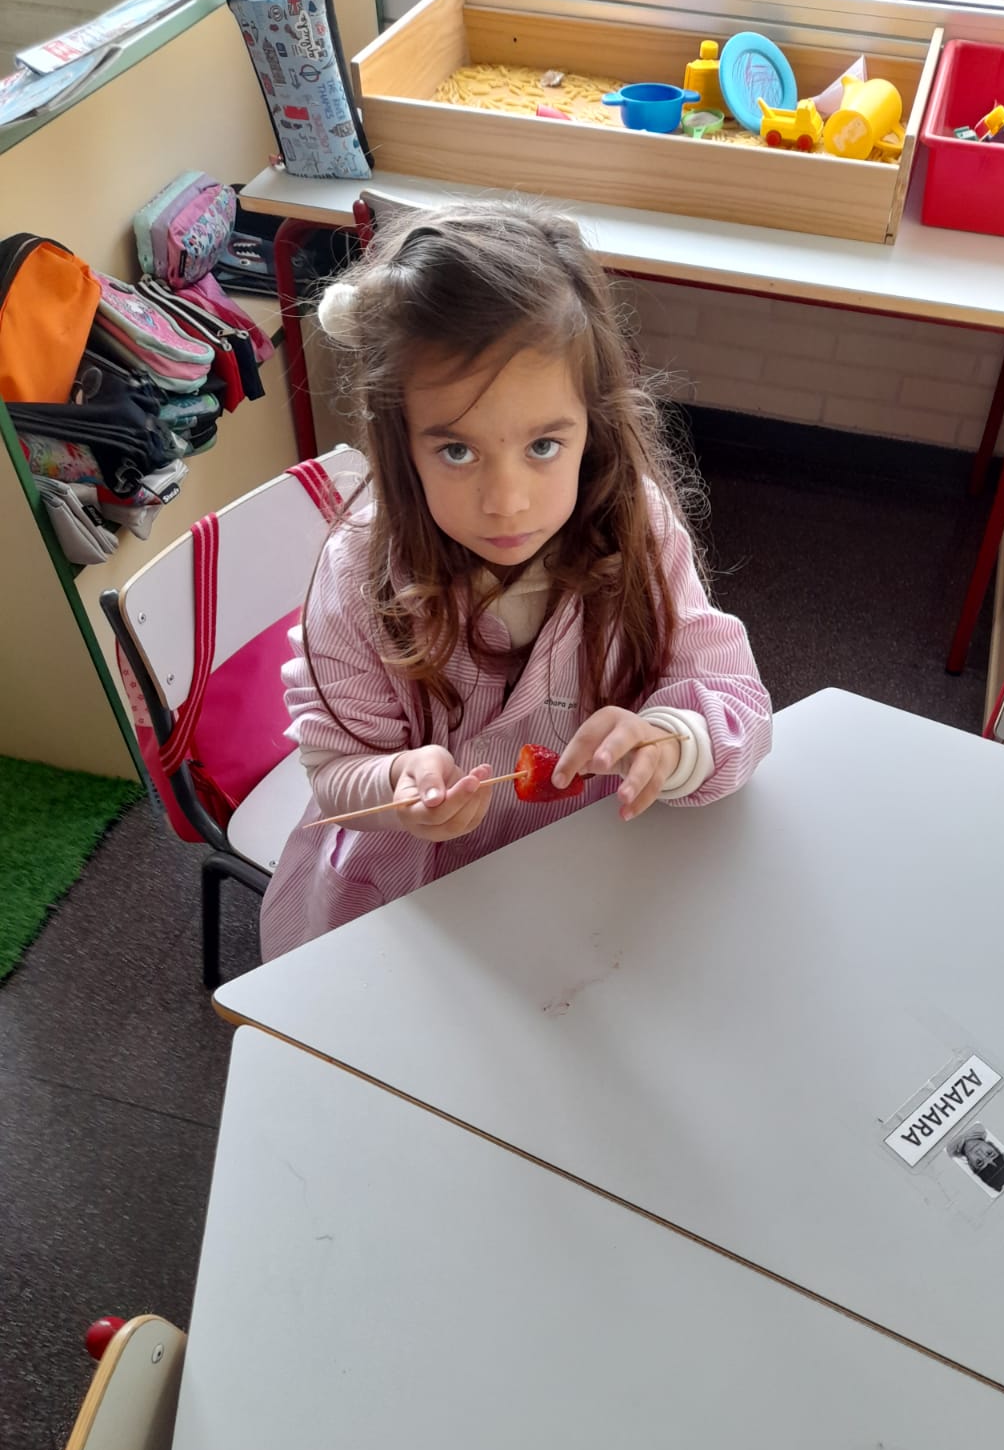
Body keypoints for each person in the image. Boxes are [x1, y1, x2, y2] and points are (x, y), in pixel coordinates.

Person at [260, 199, 772, 960]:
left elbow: (736, 701)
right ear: (401, 444)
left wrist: (669, 741)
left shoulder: (638, 531)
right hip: (413, 900)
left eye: (542, 446)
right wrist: (397, 785)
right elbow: (336, 767)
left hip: (588, 880)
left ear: (592, 426)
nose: (507, 502)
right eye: (457, 452)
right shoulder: (360, 569)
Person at [949, 1126, 1004, 1193]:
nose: (979, 1152)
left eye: (979, 1162)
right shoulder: (980, 1127)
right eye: (989, 1153)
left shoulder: (949, 1149)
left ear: (971, 1166)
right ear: (993, 1146)